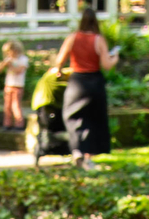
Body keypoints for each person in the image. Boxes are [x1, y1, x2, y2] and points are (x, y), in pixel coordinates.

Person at [44, 7, 116, 168]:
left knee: (72, 117)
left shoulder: (72, 38)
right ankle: (88, 158)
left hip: (77, 82)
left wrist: (59, 71)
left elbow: (60, 60)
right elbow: (106, 64)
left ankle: (77, 151)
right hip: (95, 82)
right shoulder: (99, 39)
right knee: (94, 119)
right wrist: (115, 58)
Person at [0, 38, 29, 133]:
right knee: (7, 106)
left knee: (16, 106)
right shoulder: (8, 59)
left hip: (18, 86)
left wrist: (10, 65)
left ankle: (19, 124)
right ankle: (7, 124)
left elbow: (19, 71)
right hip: (8, 85)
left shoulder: (23, 60)